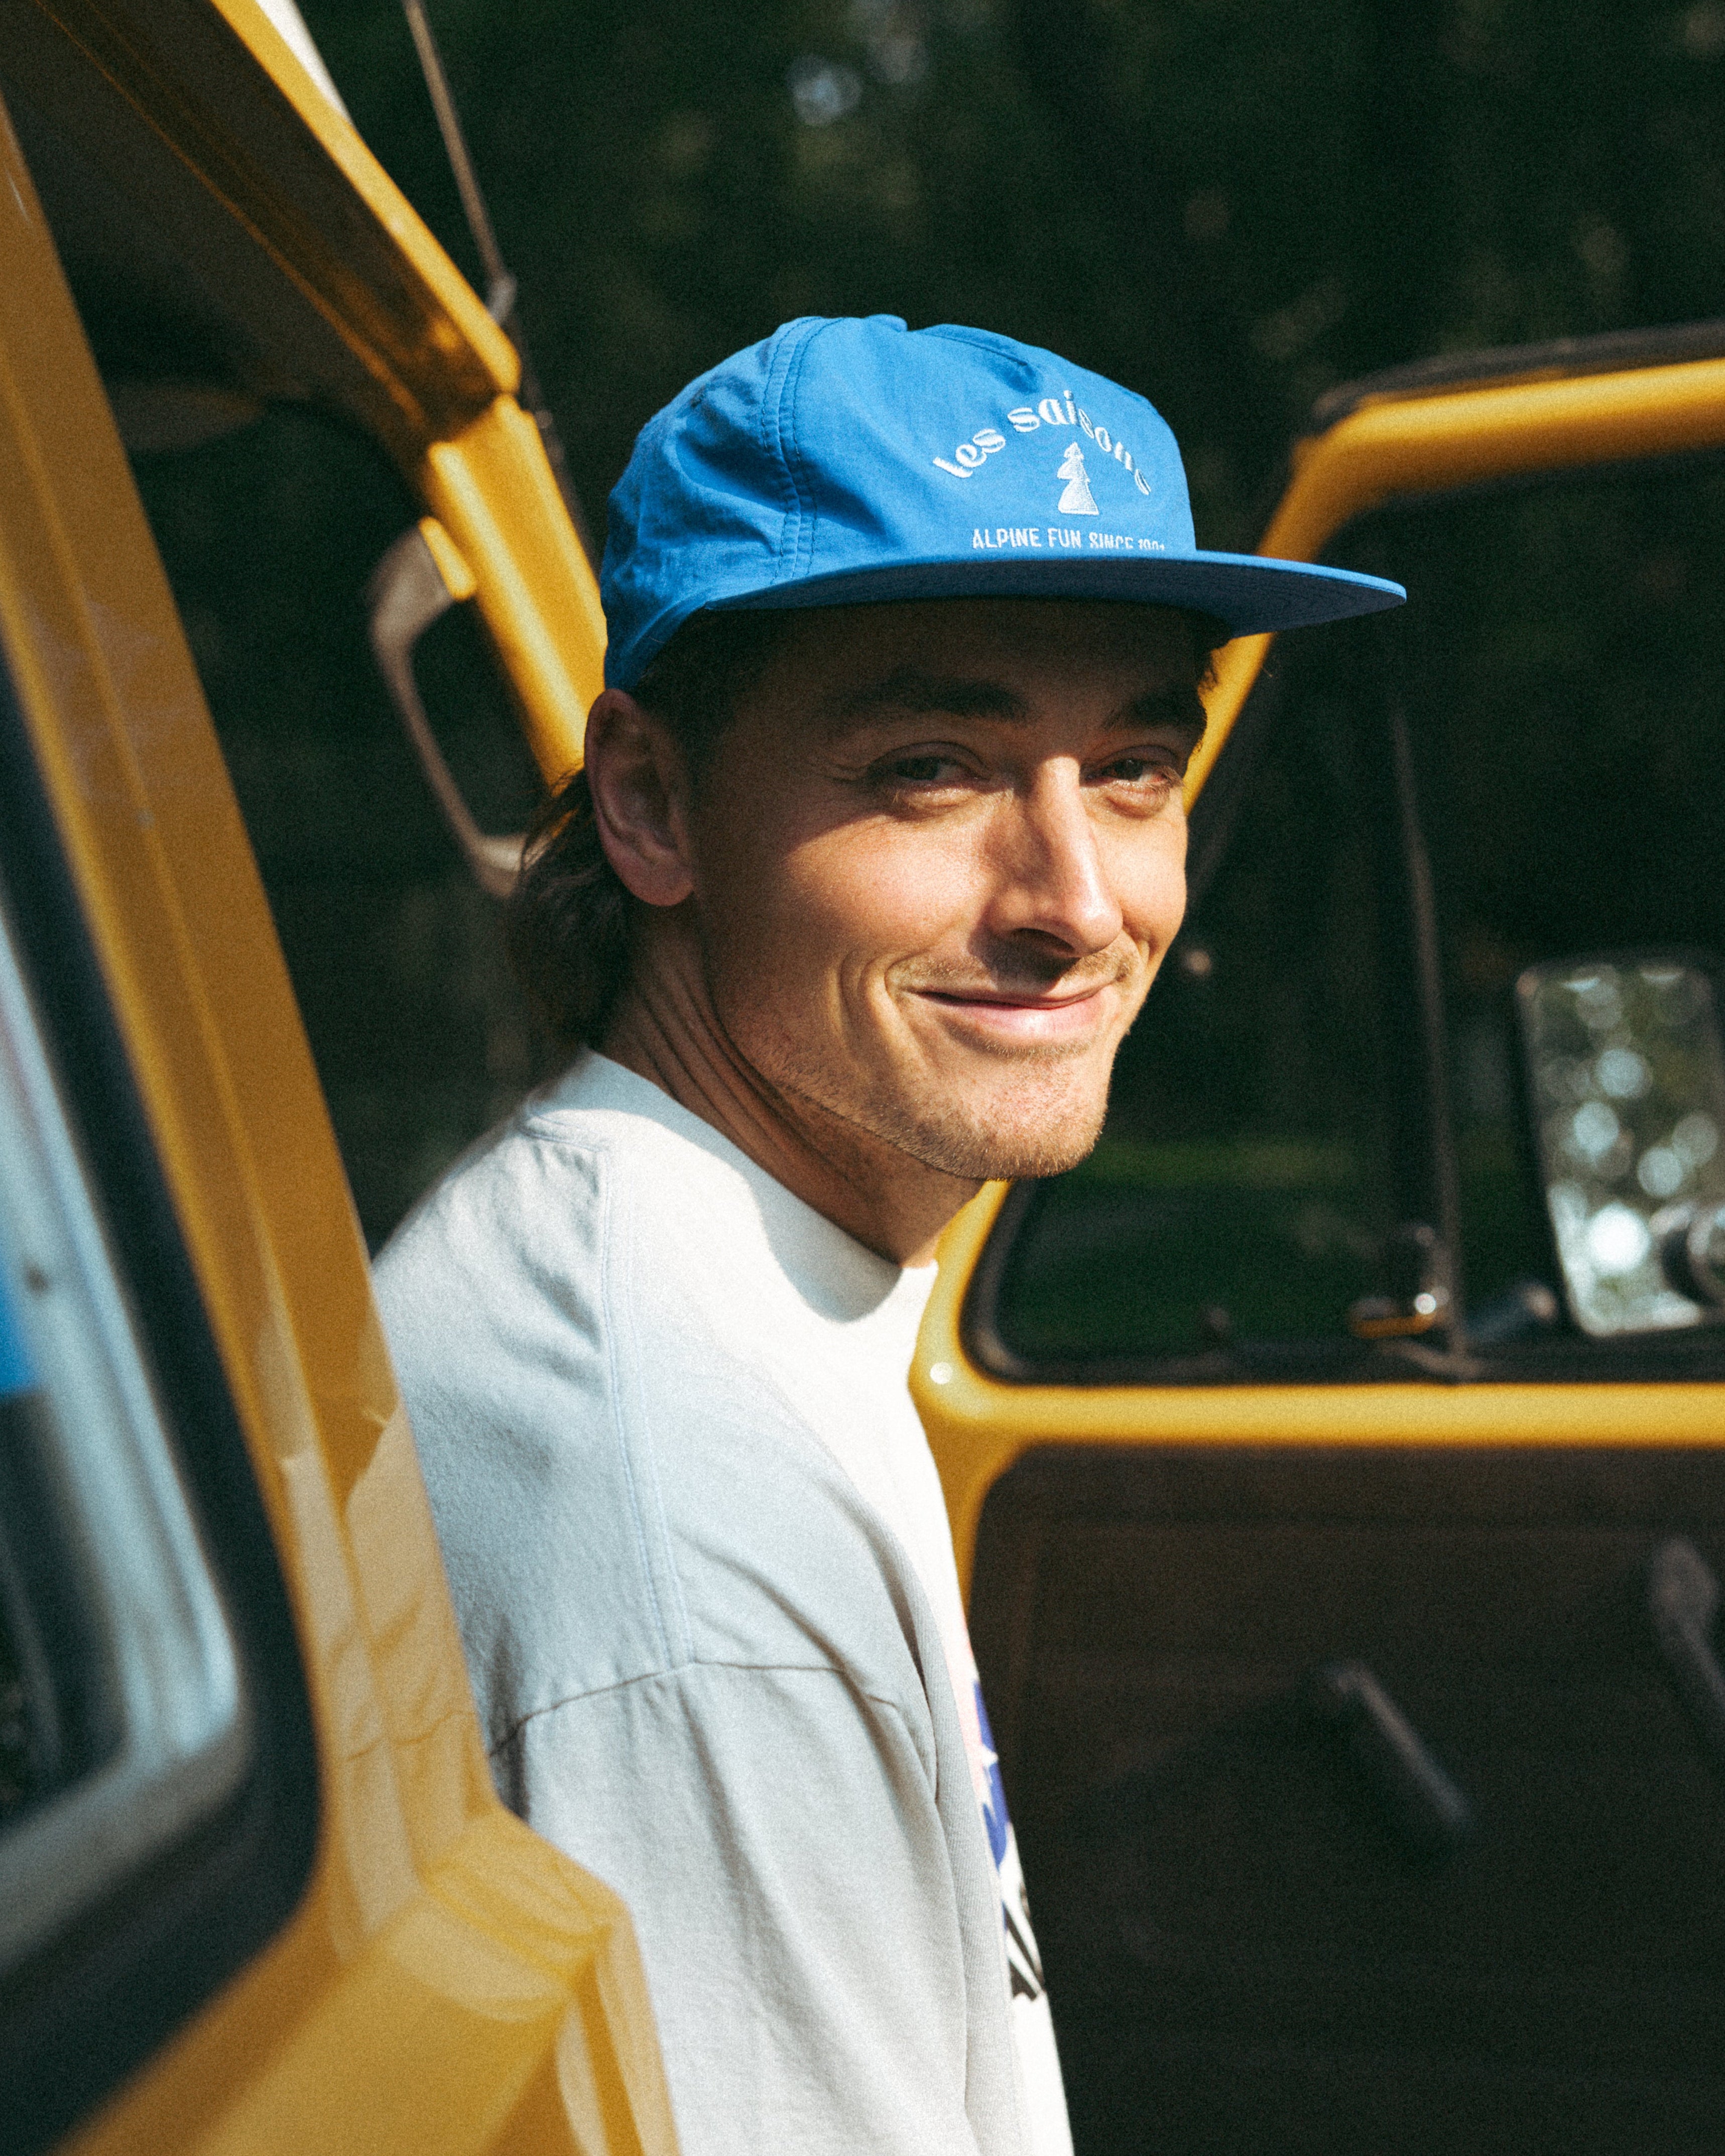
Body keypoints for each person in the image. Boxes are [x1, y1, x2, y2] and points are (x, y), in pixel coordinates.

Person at [375, 315, 1404, 2155]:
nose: (1076, 901)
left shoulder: (716, 1269)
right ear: (651, 803)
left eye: (1134, 768)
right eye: (934, 766)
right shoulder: (687, 1503)